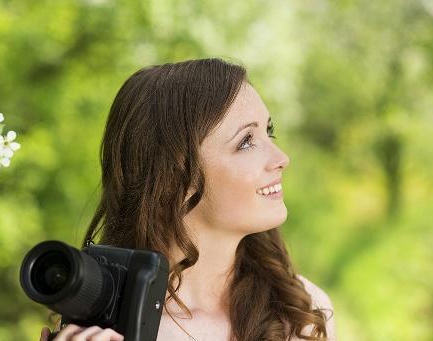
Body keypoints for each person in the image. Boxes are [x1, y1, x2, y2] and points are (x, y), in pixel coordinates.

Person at [39, 58, 335, 341]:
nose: (282, 159)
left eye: (268, 132)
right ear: (174, 177)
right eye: (246, 142)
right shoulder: (103, 330)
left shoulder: (302, 314)